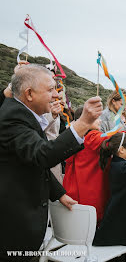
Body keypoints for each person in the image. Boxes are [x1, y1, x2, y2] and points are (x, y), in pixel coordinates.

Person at [0, 64, 102, 260]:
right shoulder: (12, 117)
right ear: (29, 94)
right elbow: (42, 155)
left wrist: (59, 193)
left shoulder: (20, 112)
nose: (56, 95)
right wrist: (82, 123)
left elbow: (30, 162)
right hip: (13, 224)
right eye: (50, 89)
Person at [63, 107, 126, 223]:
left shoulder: (73, 136)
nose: (100, 121)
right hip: (89, 194)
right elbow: (117, 139)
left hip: (73, 189)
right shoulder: (91, 137)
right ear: (86, 121)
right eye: (96, 119)